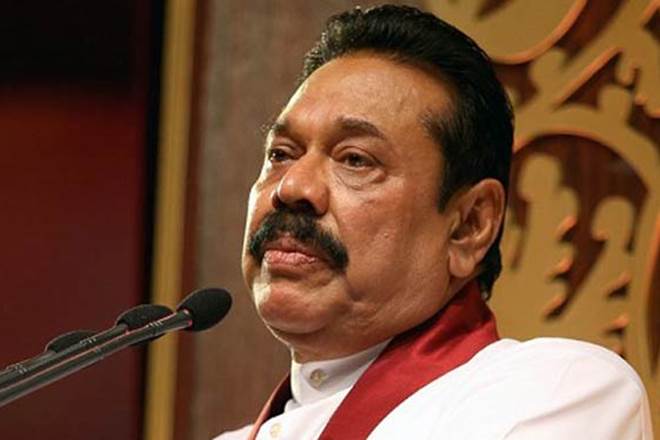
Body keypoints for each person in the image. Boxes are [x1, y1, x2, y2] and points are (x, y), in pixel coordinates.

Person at [217, 5, 653, 439]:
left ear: (469, 226)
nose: (292, 186)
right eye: (281, 154)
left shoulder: (556, 391)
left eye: (355, 159)